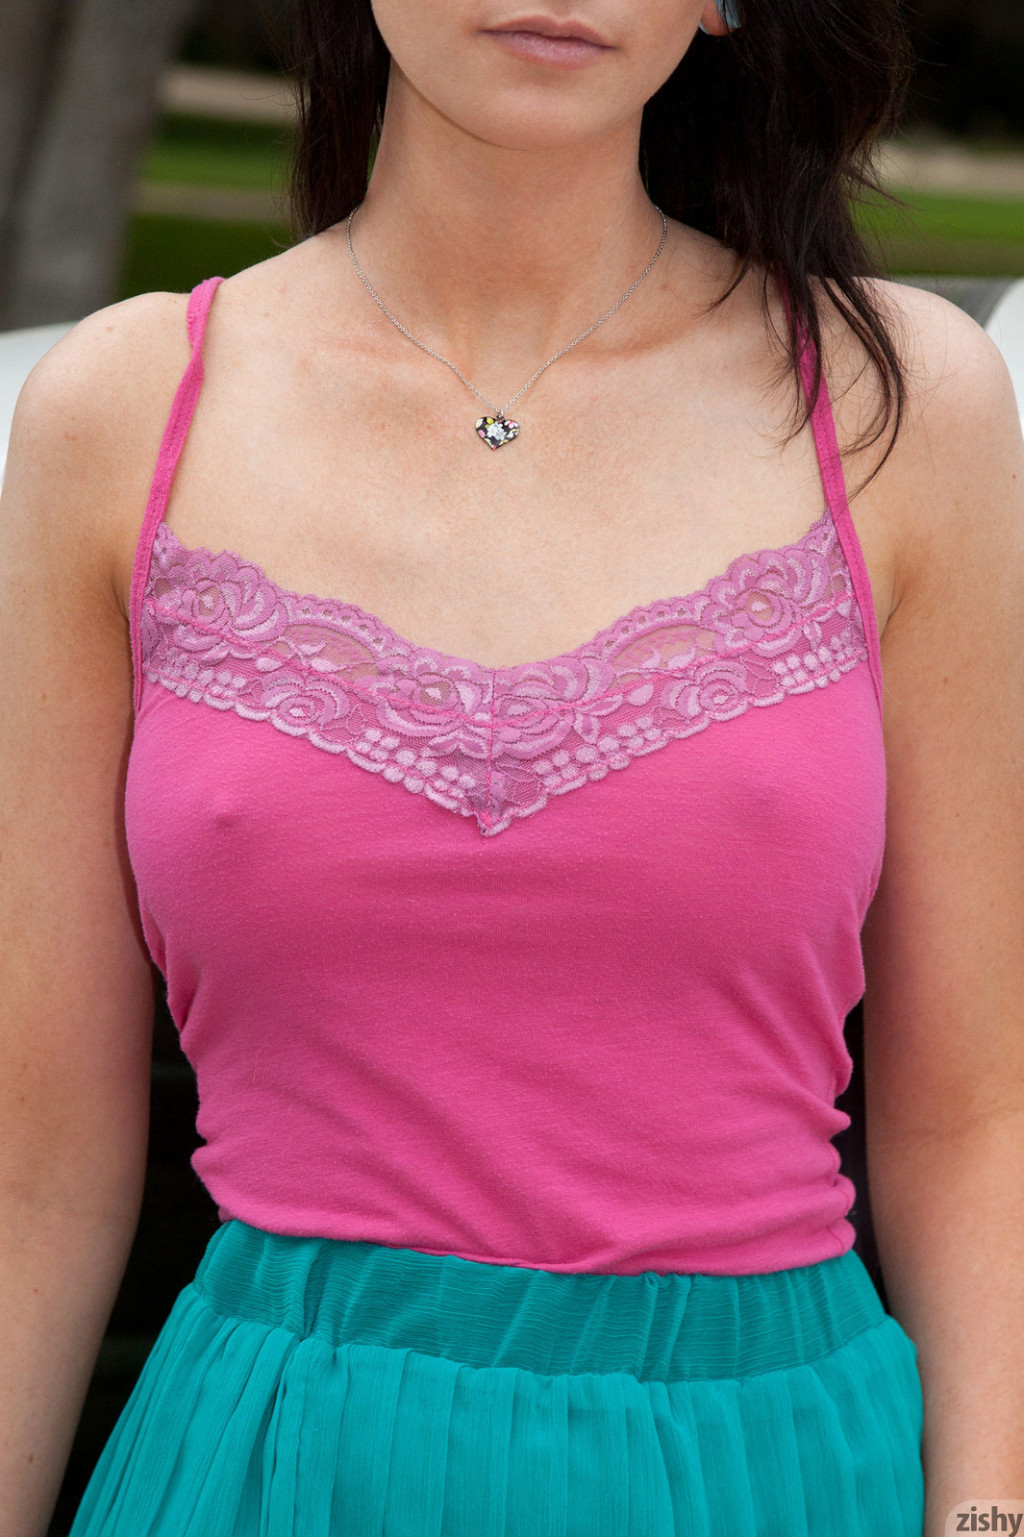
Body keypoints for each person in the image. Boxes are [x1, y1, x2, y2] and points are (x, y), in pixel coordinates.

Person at [2, 0, 1023, 1532]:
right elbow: (33, 1162)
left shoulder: (903, 409)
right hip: (272, 1474)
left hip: (773, 1476)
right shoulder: (122, 414)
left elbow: (975, 1119)